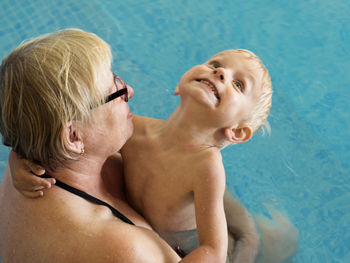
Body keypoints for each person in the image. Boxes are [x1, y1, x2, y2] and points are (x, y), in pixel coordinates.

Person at [8, 48, 298, 262]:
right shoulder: (134, 130)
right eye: (215, 64)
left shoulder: (207, 167)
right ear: (180, 86)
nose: (220, 73)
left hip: (185, 241)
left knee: (244, 246)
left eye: (238, 84)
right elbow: (52, 136)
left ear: (236, 132)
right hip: (152, 217)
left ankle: (272, 244)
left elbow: (212, 249)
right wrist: (20, 161)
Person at [0, 28, 183, 263]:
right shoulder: (126, 249)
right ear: (74, 137)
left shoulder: (28, 156)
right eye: (114, 91)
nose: (129, 91)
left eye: (117, 77)